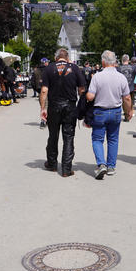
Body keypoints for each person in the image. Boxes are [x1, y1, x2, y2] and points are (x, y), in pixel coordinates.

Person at [86, 51, 132, 179]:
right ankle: (111, 166)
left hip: (100, 111)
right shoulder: (121, 77)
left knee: (97, 139)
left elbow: (90, 96)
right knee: (113, 139)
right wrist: (128, 112)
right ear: (115, 62)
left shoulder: (97, 77)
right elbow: (127, 98)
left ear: (103, 62)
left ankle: (101, 164)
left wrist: (86, 95)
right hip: (116, 111)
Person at [40, 48, 86, 177]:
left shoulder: (49, 68)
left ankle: (52, 164)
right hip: (70, 106)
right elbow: (82, 89)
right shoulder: (75, 68)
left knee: (53, 135)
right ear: (67, 58)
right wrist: (81, 106)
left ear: (56, 58)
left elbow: (44, 90)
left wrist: (43, 108)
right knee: (69, 137)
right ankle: (66, 169)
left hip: (54, 106)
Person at [117, 54, 136, 122]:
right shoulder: (133, 68)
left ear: (122, 60)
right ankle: (130, 113)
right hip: (131, 87)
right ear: (128, 60)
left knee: (123, 101)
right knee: (131, 101)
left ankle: (126, 115)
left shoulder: (119, 68)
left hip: (122, 88)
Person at [38, 58, 49, 128]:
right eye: (47, 62)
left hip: (40, 91)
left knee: (42, 106)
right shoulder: (49, 70)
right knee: (47, 106)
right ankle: (45, 120)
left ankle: (43, 120)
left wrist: (37, 90)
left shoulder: (36, 70)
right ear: (45, 63)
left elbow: (32, 82)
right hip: (47, 90)